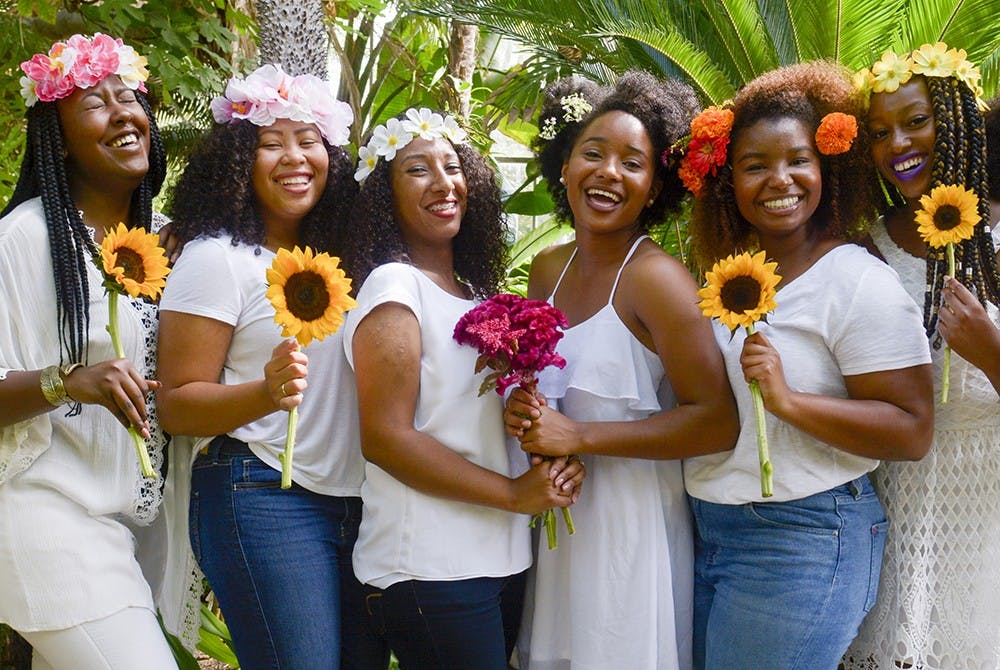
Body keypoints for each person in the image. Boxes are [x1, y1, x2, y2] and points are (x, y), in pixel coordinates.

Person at [683, 60, 935, 669]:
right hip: (711, 529)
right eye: (755, 165)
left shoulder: (855, 279)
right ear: (729, 181)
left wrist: (789, 402)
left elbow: (912, 430)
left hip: (802, 537)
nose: (780, 179)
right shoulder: (725, 279)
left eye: (799, 159)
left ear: (826, 169)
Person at [502, 71, 740, 669]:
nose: (609, 172)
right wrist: (526, 413)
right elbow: (546, 388)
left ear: (654, 188)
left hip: (630, 533)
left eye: (632, 163)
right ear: (564, 165)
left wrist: (578, 436)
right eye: (593, 153)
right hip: (557, 519)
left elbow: (717, 422)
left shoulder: (658, 280)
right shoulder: (546, 269)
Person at [341, 107, 584, 670]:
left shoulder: (478, 296)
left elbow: (469, 423)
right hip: (430, 564)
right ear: (384, 194)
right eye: (417, 169)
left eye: (452, 167)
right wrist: (514, 494)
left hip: (500, 557)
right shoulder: (393, 286)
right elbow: (386, 438)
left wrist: (543, 447)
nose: (443, 182)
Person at [155, 64, 378, 669]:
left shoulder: (345, 262)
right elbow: (175, 403)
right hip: (259, 492)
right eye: (271, 143)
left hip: (355, 503)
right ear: (237, 162)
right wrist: (264, 392)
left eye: (308, 140)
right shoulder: (216, 258)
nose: (294, 157)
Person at [0, 34, 179, 669]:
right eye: (95, 105)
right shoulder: (23, 240)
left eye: (127, 98)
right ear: (57, 140)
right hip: (49, 517)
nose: (122, 114)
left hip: (130, 529)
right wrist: (67, 381)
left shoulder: (165, 246)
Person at [843, 45, 1000, 670]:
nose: (897, 144)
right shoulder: (868, 248)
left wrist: (991, 353)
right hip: (902, 495)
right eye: (879, 133)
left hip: (989, 491)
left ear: (955, 122)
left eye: (915, 121)